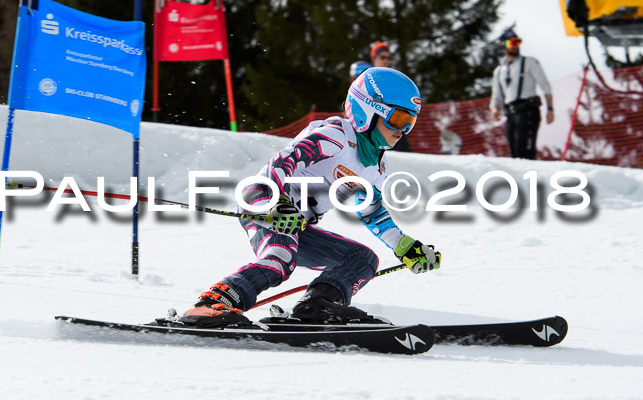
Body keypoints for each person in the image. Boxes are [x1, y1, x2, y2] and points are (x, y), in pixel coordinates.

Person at [179, 67, 441, 327]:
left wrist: (405, 246)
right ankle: (211, 304)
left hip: (295, 222)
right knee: (280, 258)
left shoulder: (375, 167)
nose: (403, 130)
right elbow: (283, 161)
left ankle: (318, 305)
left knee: (363, 259)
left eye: (410, 122)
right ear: (368, 111)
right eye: (397, 120)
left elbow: (371, 212)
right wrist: (278, 203)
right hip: (264, 200)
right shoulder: (336, 136)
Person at [489, 30, 555, 159]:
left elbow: (545, 85)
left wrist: (550, 108)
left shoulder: (529, 62)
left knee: (525, 153)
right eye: (511, 42)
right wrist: (495, 110)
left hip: (528, 111)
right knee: (515, 153)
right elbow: (496, 96)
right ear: (503, 45)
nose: (515, 45)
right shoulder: (499, 70)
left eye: (517, 42)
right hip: (511, 114)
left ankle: (531, 177)